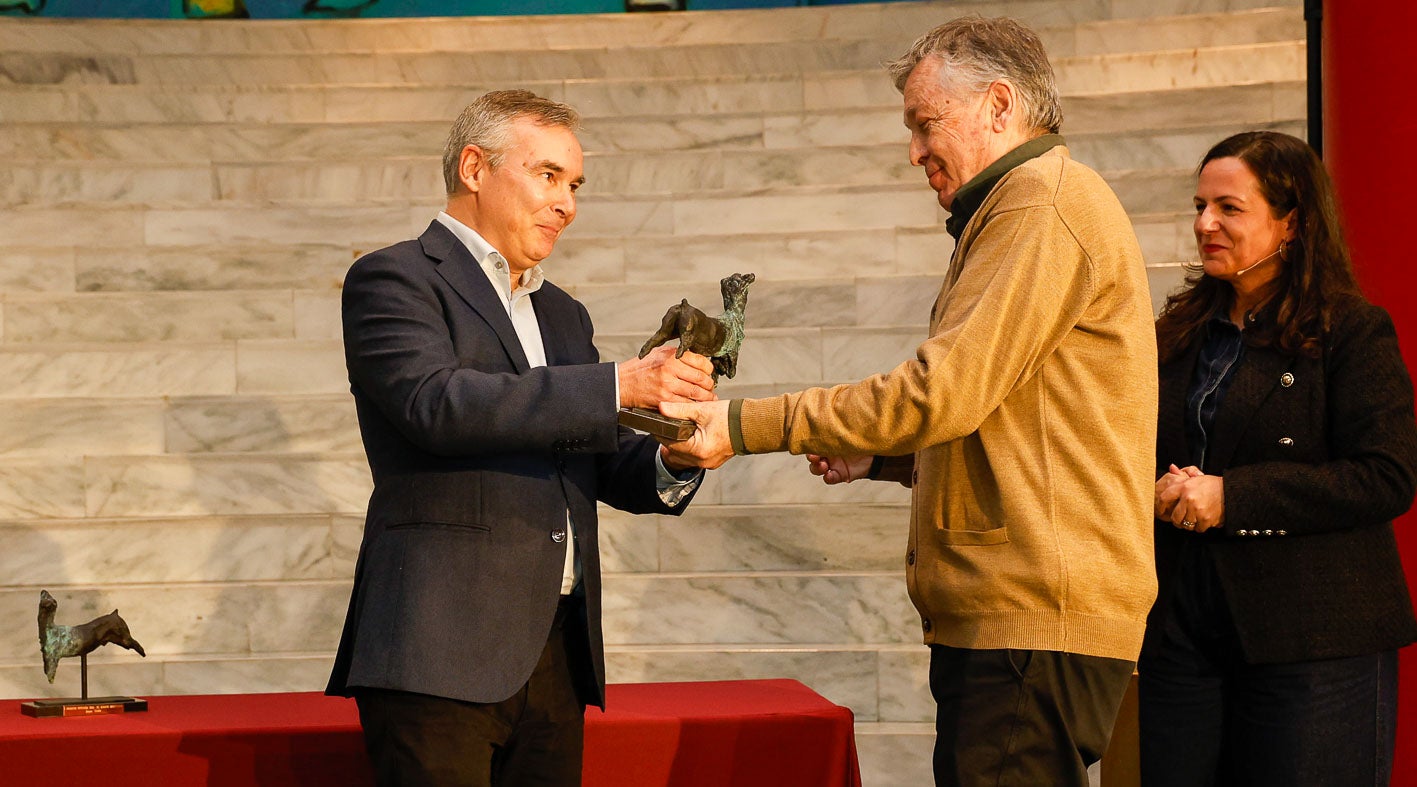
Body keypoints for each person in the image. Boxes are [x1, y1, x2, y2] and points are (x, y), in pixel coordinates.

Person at [659, 16, 1157, 787]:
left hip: (1032, 616)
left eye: (926, 123)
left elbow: (940, 391)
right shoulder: (1022, 204)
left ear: (999, 105)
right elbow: (1015, 415)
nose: (915, 150)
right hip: (1019, 616)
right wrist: (886, 457)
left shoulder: (1039, 202)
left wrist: (739, 423)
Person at [325, 89, 717, 786]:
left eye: (575, 185)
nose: (567, 204)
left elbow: (595, 459)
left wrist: (676, 453)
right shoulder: (395, 277)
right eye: (548, 176)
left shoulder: (564, 313)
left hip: (555, 655)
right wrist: (617, 385)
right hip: (437, 650)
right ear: (474, 168)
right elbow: (435, 404)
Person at [1142, 130, 1417, 786]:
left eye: (1228, 208)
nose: (1204, 224)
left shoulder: (1351, 330)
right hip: (1181, 634)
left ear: (1291, 223)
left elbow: (1387, 475)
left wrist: (1231, 497)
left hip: (1314, 640)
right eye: (1199, 206)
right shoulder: (1174, 333)